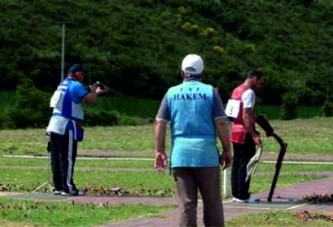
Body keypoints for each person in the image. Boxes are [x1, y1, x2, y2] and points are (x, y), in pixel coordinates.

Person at [154, 54, 232, 227]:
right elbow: (220, 122)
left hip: (181, 156)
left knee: (187, 205)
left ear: (182, 72)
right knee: (212, 204)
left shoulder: (171, 93)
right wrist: (227, 149)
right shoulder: (210, 92)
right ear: (203, 72)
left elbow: (160, 122)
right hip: (206, 156)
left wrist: (159, 150)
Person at [46, 64, 107, 196]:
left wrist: (89, 88)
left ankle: (59, 186)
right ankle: (68, 187)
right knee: (67, 158)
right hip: (66, 126)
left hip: (54, 125)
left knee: (56, 158)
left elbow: (75, 96)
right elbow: (90, 100)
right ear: (78, 74)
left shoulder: (63, 84)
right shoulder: (76, 85)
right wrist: (95, 92)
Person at [226, 69, 263, 203]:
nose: (259, 85)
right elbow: (246, 115)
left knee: (237, 163)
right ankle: (243, 194)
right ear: (254, 78)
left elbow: (230, 113)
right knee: (246, 164)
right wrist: (253, 134)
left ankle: (236, 193)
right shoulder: (249, 92)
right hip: (245, 132)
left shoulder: (236, 90)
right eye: (259, 82)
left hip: (234, 130)